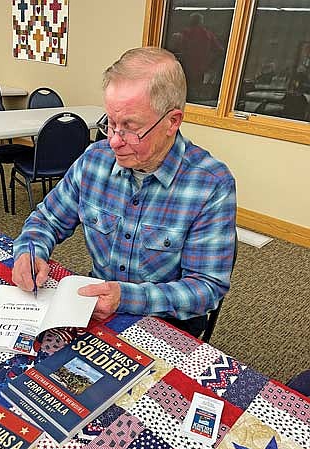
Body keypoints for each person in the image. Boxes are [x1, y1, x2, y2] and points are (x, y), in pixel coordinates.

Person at [12, 47, 236, 338]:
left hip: (168, 325)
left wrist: (127, 298)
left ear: (172, 121)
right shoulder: (94, 160)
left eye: (130, 128)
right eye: (110, 124)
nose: (115, 141)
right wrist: (30, 251)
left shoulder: (210, 184)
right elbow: (46, 220)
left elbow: (207, 288)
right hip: (96, 309)